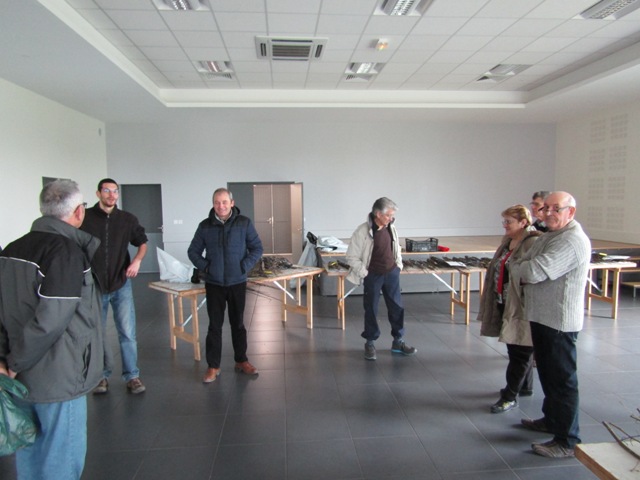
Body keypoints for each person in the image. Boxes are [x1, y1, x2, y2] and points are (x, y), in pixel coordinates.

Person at [0, 179, 104, 479]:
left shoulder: (12, 249)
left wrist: (6, 361)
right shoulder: (65, 252)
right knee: (62, 460)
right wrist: (15, 362)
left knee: (30, 454)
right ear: (78, 211)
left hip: (18, 376)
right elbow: (51, 320)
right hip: (59, 376)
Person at [510, 191, 591, 458]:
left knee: (562, 380)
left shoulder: (571, 241)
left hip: (558, 321)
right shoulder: (550, 236)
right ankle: (551, 420)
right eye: (546, 208)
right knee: (547, 374)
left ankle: (567, 440)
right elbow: (519, 261)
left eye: (556, 209)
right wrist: (521, 266)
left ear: (571, 212)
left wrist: (520, 267)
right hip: (542, 317)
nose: (548, 213)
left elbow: (531, 271)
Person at [188, 188, 263, 383]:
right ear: (213, 204)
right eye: (216, 202)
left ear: (232, 203)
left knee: (238, 324)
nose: (220, 206)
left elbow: (257, 248)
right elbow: (193, 251)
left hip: (237, 282)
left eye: (224, 202)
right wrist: (207, 267)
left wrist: (243, 266)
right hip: (214, 284)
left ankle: (242, 360)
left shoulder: (244, 223)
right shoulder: (205, 226)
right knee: (214, 326)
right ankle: (213, 366)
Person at [80, 178, 148, 394]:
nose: (111, 195)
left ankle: (132, 376)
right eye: (107, 191)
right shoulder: (85, 218)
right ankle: (101, 376)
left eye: (115, 191)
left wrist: (137, 261)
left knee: (127, 332)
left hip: (121, 283)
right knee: (97, 333)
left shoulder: (127, 219)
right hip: (95, 284)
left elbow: (142, 242)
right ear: (98, 193)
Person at [478, 205, 542, 413]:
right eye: (504, 221)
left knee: (520, 350)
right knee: (517, 346)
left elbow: (531, 274)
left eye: (509, 222)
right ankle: (524, 387)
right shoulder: (508, 241)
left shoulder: (532, 242)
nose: (504, 225)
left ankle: (509, 396)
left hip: (521, 305)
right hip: (505, 301)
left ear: (523, 222)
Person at [345, 197, 416, 361]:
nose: (391, 218)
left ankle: (398, 341)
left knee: (397, 307)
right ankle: (370, 343)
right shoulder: (362, 231)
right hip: (372, 275)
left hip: (391, 273)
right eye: (388, 215)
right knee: (371, 308)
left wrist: (398, 266)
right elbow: (351, 257)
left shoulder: (391, 227)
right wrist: (364, 273)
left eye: (392, 215)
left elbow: (396, 247)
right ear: (378, 214)